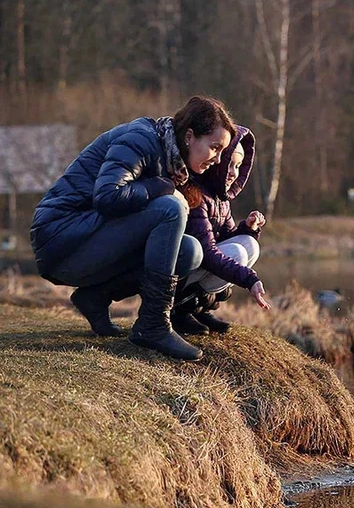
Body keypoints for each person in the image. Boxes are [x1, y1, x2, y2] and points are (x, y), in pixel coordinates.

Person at [30, 95, 237, 361]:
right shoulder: (140, 140)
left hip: (87, 241)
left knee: (189, 251)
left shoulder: (172, 159)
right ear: (189, 136)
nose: (218, 159)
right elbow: (107, 196)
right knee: (170, 207)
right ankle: (153, 325)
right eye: (215, 147)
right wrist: (163, 186)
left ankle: (96, 296)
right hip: (61, 241)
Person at [172, 125, 272, 335]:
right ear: (219, 161)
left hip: (200, 266)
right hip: (178, 275)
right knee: (238, 253)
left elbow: (225, 238)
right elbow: (209, 253)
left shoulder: (220, 198)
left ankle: (200, 308)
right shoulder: (196, 194)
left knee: (249, 244)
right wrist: (249, 279)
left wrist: (247, 229)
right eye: (230, 164)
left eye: (239, 166)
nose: (234, 173)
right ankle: (180, 309)